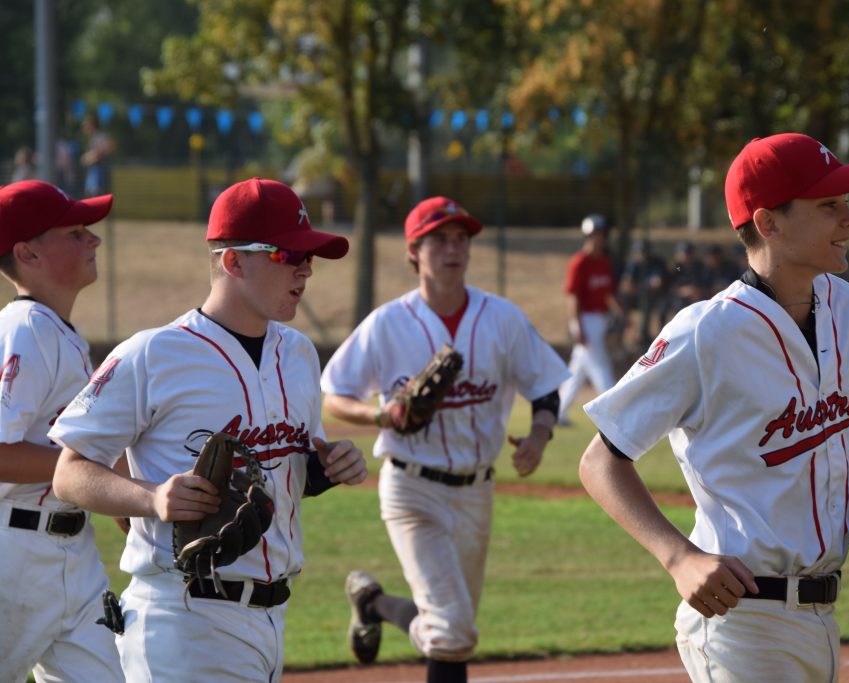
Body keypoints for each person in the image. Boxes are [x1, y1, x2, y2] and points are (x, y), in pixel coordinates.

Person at [578, 133, 849, 683]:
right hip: (739, 620)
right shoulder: (707, 333)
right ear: (769, 223)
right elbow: (600, 462)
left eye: (847, 202)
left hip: (823, 618)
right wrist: (678, 557)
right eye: (829, 205)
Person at [48, 177, 368, 682]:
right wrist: (152, 497)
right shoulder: (153, 353)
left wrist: (324, 470)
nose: (306, 268)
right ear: (234, 261)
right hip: (183, 618)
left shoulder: (301, 354)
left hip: (272, 616)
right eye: (288, 254)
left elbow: (277, 481)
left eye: (310, 256)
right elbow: (68, 474)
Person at [321, 196, 568, 683]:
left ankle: (373, 604)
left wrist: (540, 434)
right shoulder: (388, 323)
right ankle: (378, 606)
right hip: (411, 489)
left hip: (478, 492)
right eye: (438, 239)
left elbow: (544, 386)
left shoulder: (502, 318)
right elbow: (335, 393)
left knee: (451, 630)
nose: (453, 249)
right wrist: (382, 415)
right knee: (453, 630)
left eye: (461, 238)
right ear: (414, 251)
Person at [0, 180, 123, 683]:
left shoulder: (57, 331)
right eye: (75, 232)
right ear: (28, 253)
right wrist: (88, 472)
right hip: (15, 555)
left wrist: (119, 497)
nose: (93, 240)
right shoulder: (25, 328)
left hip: (72, 551)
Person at [556, 213, 623, 425]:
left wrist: (621, 312)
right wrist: (576, 325)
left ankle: (557, 412)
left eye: (601, 233)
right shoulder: (580, 262)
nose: (599, 237)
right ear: (587, 235)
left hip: (600, 319)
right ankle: (615, 411)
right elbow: (572, 296)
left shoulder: (604, 262)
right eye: (594, 234)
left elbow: (608, 294)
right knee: (600, 366)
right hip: (585, 319)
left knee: (577, 370)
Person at [618, 237, 668, 347]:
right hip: (636, 297)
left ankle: (651, 337)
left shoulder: (656, 262)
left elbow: (657, 283)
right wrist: (643, 286)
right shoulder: (633, 264)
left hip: (653, 297)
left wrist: (640, 287)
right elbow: (626, 285)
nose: (642, 255)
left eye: (644, 251)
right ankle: (622, 337)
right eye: (639, 252)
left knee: (653, 302)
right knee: (621, 300)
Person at [664, 240, 706, 324]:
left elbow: (704, 284)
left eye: (688, 253)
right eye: (683, 253)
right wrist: (686, 291)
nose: (686, 256)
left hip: (697, 298)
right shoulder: (676, 268)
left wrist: (695, 290)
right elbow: (671, 288)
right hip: (678, 299)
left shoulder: (699, 267)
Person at [81, 114, 116, 197]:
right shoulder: (93, 137)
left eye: (86, 125)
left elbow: (110, 146)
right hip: (94, 171)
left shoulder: (100, 136)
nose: (84, 127)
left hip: (99, 171)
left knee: (97, 194)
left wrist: (91, 156)